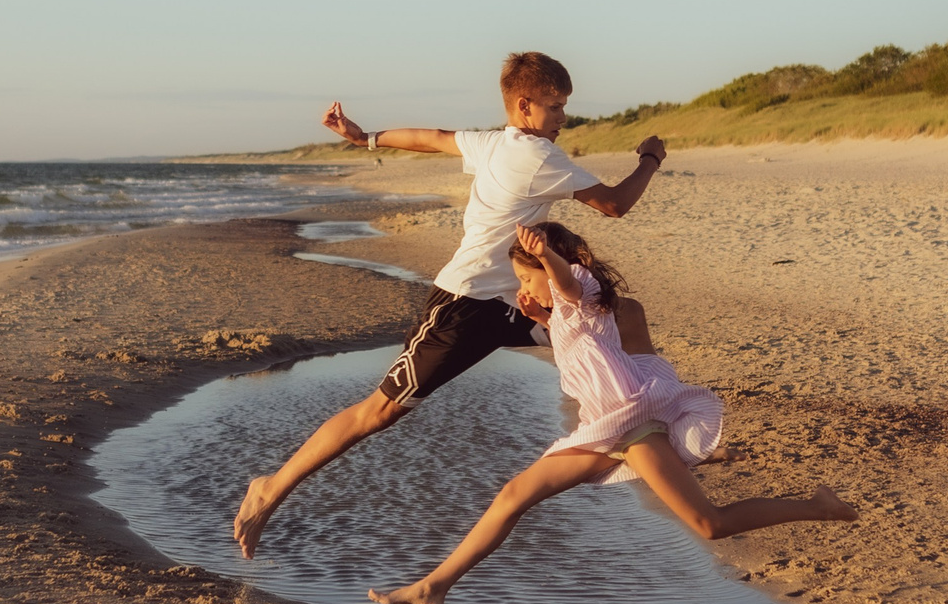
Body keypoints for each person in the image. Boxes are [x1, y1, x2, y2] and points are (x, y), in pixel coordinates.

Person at [232, 51, 667, 558]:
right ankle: (271, 487)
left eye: (566, 105)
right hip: (464, 304)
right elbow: (614, 204)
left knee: (616, 324)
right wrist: (650, 159)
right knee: (379, 412)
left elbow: (431, 138)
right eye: (555, 105)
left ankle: (665, 427)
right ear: (523, 105)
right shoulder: (537, 157)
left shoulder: (494, 143)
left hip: (515, 302)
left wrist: (365, 137)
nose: (563, 117)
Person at [370, 223, 856, 604]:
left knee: (710, 524)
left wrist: (546, 258)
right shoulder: (563, 311)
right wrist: (542, 317)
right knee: (514, 495)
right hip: (605, 429)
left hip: (634, 422)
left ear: (555, 264)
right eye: (521, 279)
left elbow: (567, 284)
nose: (525, 287)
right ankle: (434, 587)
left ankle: (819, 506)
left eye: (527, 276)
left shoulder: (581, 285)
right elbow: (583, 338)